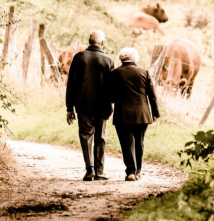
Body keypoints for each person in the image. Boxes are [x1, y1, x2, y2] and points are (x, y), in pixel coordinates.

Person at [66, 30, 115, 181]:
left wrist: (69, 108)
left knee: (86, 135)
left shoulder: (79, 57)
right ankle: (100, 172)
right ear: (102, 43)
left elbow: (71, 85)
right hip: (103, 106)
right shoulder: (108, 60)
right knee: (100, 136)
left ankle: (90, 170)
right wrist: (111, 103)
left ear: (89, 41)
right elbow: (112, 86)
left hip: (83, 105)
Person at [110, 47, 160, 181]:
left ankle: (130, 172)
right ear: (135, 58)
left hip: (122, 114)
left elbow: (111, 96)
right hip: (142, 114)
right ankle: (138, 171)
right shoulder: (144, 72)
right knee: (139, 142)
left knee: (126, 144)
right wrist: (155, 112)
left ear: (121, 58)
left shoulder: (115, 73)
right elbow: (152, 96)